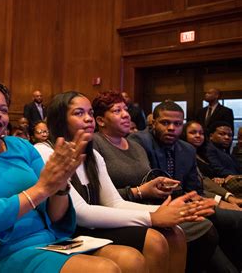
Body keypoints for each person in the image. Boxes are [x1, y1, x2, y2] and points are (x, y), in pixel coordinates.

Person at [0, 75, 146, 273]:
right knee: (103, 270)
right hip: (3, 252)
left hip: (52, 241)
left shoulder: (21, 147)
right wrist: (41, 189)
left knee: (131, 259)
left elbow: (55, 216)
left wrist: (60, 186)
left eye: (3, 109)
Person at [35, 91, 217, 273]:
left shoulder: (94, 156)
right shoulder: (45, 152)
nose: (88, 119)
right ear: (60, 119)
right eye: (79, 113)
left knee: (174, 233)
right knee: (153, 240)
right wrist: (152, 217)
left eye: (90, 113)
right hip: (66, 231)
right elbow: (80, 213)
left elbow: (114, 203)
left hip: (93, 226)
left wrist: (177, 211)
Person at [129, 101, 242, 271]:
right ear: (153, 123)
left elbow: (195, 188)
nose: (171, 128)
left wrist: (199, 201)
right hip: (156, 208)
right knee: (207, 230)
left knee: (236, 219)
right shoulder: (139, 141)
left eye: (177, 124)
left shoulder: (187, 149)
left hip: (187, 203)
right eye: (165, 123)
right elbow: (143, 182)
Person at [182, 121, 242, 207]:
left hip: (216, 189)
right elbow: (200, 181)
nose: (198, 136)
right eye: (193, 133)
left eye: (201, 133)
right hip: (201, 195)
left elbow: (206, 177)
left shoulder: (202, 152)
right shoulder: (183, 155)